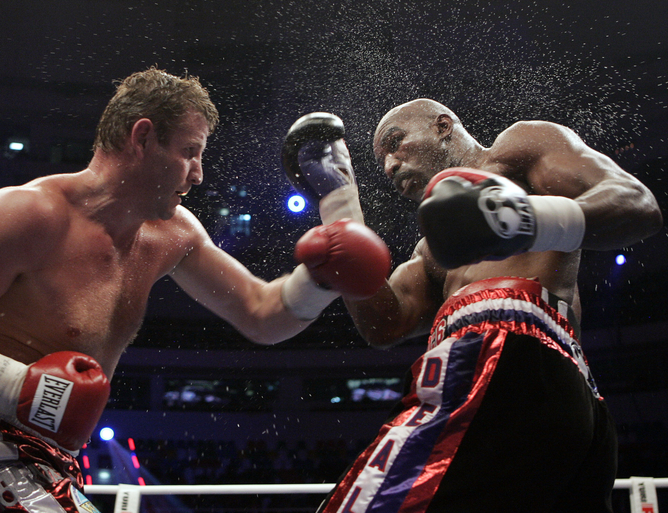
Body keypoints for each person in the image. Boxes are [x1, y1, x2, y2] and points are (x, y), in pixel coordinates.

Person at [0, 68, 390, 513]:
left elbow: (262, 314)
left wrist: (322, 274)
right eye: (189, 152)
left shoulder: (174, 234)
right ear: (142, 138)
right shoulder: (32, 213)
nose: (198, 174)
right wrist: (20, 389)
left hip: (52, 457)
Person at [281, 100, 663, 512]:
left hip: (501, 359)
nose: (390, 165)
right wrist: (338, 209)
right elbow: (385, 325)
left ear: (443, 126)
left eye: (396, 143)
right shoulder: (432, 252)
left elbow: (637, 203)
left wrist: (517, 218)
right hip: (566, 399)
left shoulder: (518, 148)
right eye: (381, 162)